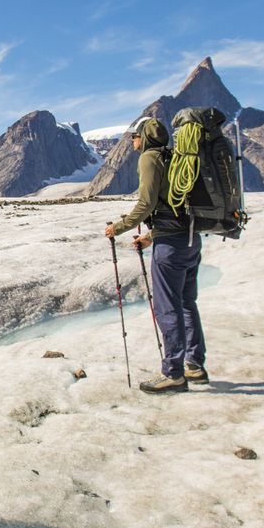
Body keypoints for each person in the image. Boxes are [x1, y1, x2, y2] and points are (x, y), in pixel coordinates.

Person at [104, 116, 208, 394]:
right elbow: (172, 206)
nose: (132, 142)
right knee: (187, 303)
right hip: (190, 239)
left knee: (167, 306)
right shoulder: (174, 157)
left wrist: (119, 227)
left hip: (170, 247)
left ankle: (173, 373)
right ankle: (195, 365)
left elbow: (147, 202)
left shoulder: (150, 158)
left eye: (134, 137)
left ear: (145, 136)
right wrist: (150, 236)